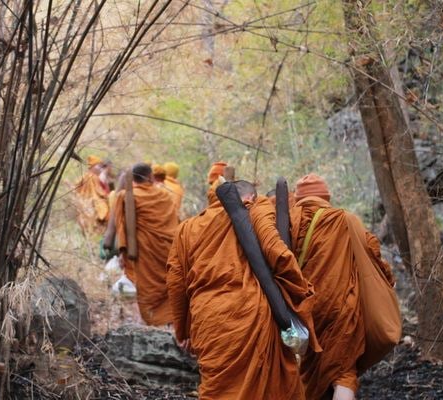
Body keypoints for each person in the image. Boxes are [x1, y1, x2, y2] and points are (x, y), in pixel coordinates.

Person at [166, 179, 319, 399]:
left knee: (217, 389)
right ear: (250, 198)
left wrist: (183, 330)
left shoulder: (186, 229)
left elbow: (176, 283)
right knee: (273, 388)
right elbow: (279, 254)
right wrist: (297, 295)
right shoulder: (256, 212)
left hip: (209, 318)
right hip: (252, 314)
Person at [289, 173, 396, 400]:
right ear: (326, 197)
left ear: (298, 198)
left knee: (310, 364)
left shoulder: (287, 221)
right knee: (344, 370)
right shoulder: (345, 220)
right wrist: (387, 279)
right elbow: (373, 251)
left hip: (304, 309)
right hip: (341, 307)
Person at [114, 163, 179, 326]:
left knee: (148, 286)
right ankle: (171, 317)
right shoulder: (165, 195)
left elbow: (121, 225)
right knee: (168, 282)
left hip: (145, 250)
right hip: (167, 248)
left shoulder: (125, 196)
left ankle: (154, 319)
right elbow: (174, 222)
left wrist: (123, 251)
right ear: (150, 177)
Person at [74, 155, 111, 235]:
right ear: (93, 166)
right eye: (99, 166)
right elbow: (99, 192)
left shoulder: (94, 176)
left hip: (86, 203)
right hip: (91, 202)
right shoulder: (91, 177)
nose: (101, 169)